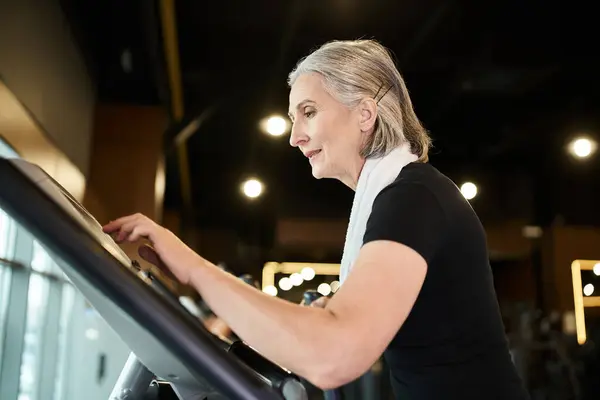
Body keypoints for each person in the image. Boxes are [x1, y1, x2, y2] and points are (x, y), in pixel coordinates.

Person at [103, 39, 530, 399]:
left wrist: (194, 268)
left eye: (308, 112)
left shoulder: (414, 198)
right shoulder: (395, 198)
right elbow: (326, 338)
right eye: (293, 119)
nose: (294, 136)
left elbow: (333, 356)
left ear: (365, 113)